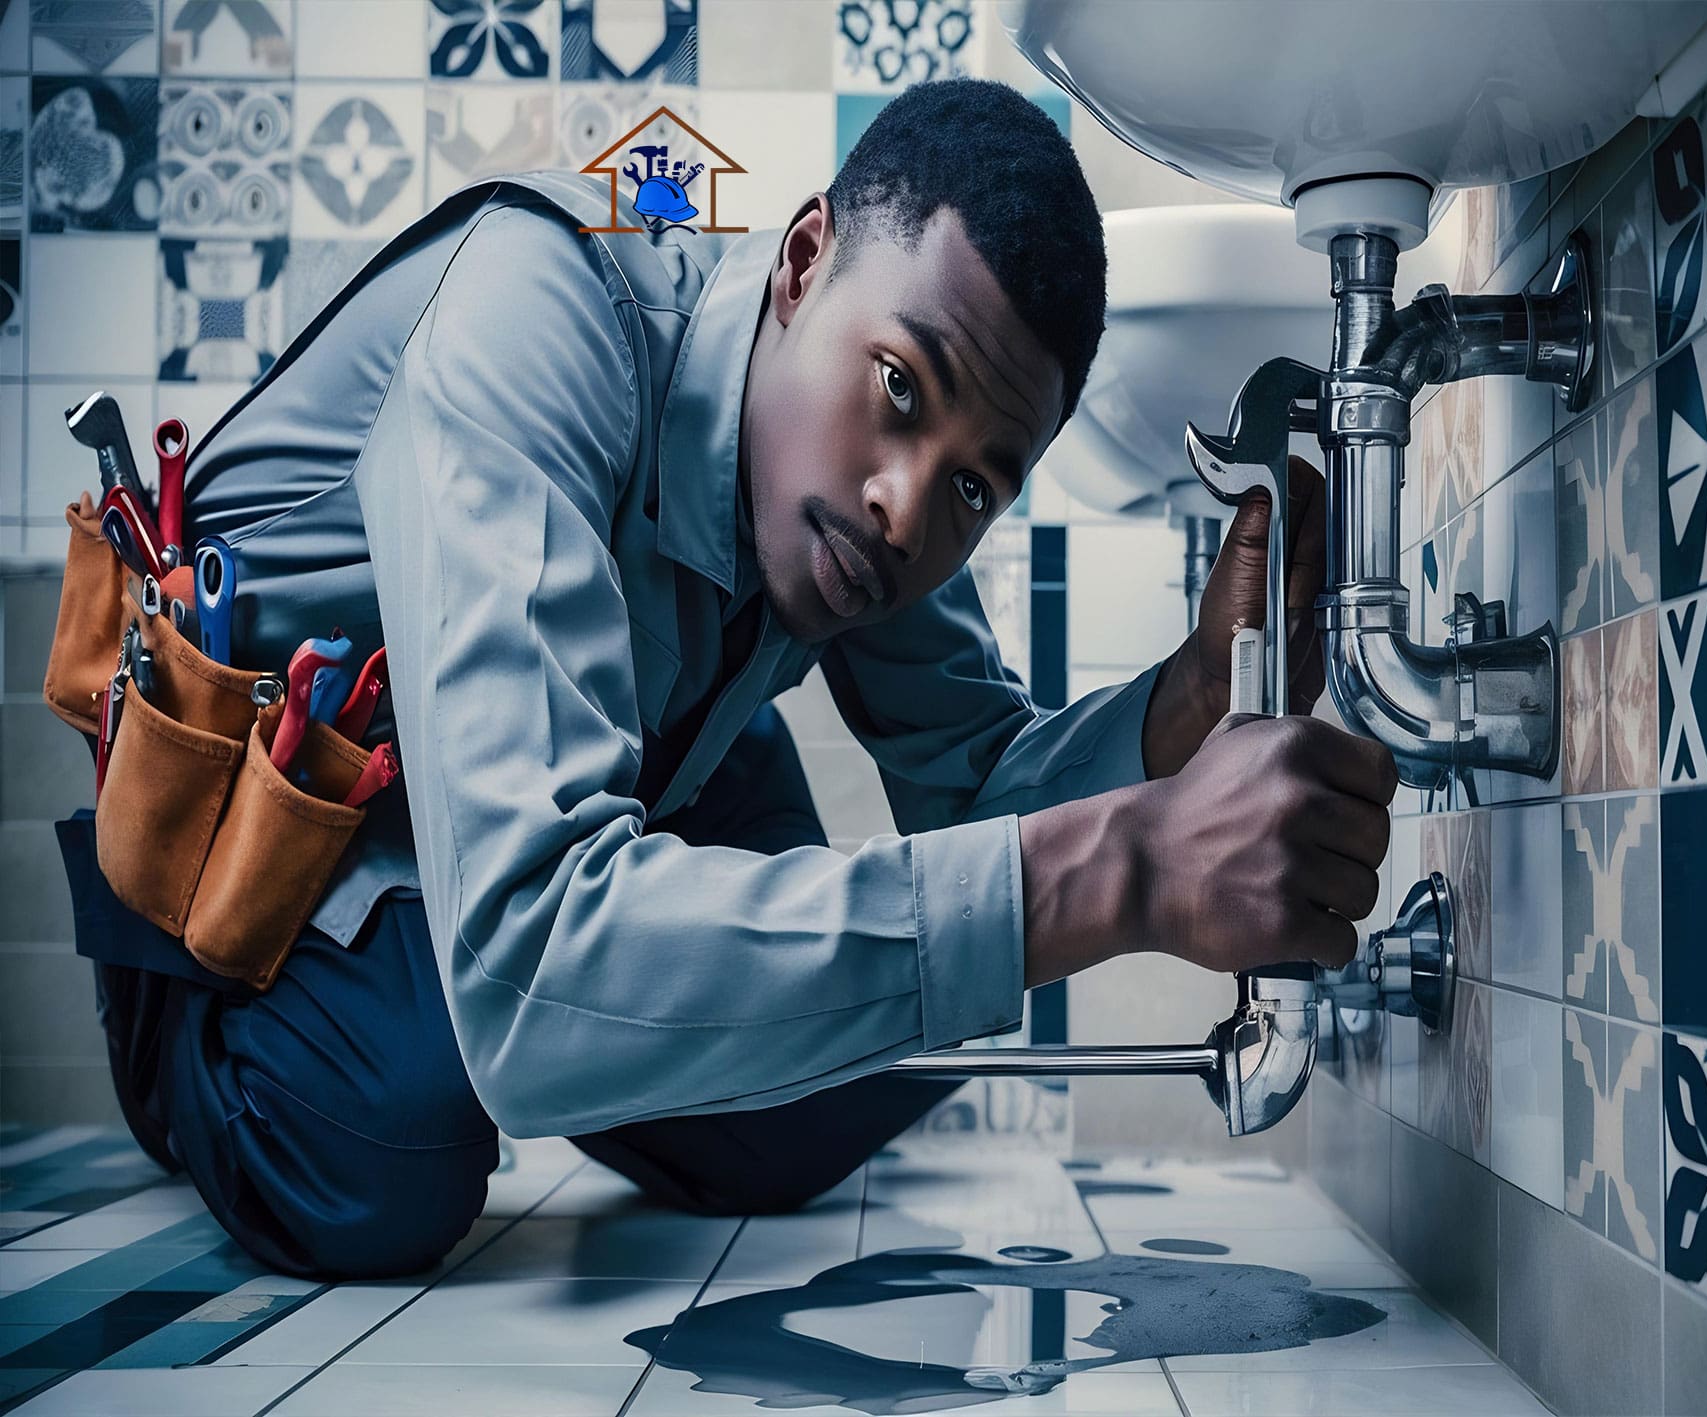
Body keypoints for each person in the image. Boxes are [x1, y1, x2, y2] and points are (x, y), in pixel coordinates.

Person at [62, 77, 1395, 1281]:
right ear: (803, 261)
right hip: (267, 853)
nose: (905, 505)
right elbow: (529, 951)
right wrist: (1123, 871)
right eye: (900, 385)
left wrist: (1194, 692)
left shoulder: (865, 512)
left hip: (605, 778)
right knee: (390, 1146)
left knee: (819, 1087)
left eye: (974, 487)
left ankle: (601, 1027)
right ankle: (181, 1061)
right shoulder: (532, 315)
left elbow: (976, 794)